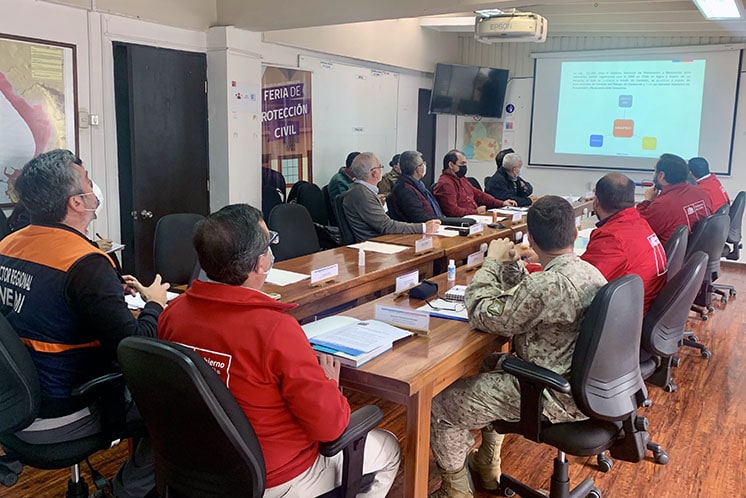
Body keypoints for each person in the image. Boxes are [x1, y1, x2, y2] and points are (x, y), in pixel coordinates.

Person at [157, 203, 400, 497]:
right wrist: (329, 384)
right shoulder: (275, 329)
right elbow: (331, 428)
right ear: (261, 264)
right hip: (276, 477)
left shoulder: (172, 313)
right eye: (270, 242)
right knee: (389, 449)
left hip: (197, 465)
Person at [0, 149, 169, 498]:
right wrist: (154, 303)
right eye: (89, 181)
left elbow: (43, 303)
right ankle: (122, 492)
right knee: (181, 412)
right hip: (61, 411)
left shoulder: (8, 245)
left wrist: (107, 292)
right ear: (77, 202)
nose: (94, 188)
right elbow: (135, 349)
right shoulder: (85, 263)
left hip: (12, 405)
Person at [428, 196, 607, 498]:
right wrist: (511, 265)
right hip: (584, 388)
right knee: (489, 364)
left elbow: (482, 313)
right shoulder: (587, 272)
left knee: (440, 406)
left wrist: (491, 263)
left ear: (531, 239)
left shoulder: (550, 284)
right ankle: (487, 465)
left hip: (552, 394)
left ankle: (455, 491)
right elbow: (529, 299)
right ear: (575, 232)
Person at [581, 173, 667, 314]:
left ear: (596, 202)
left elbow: (581, 283)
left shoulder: (612, 237)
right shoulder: (639, 222)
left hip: (624, 316)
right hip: (644, 307)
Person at [343, 152, 441, 242]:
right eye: (380, 167)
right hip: (375, 244)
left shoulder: (361, 191)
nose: (381, 170)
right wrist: (423, 227)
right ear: (374, 173)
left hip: (382, 240)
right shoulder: (362, 195)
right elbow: (386, 226)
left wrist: (379, 205)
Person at [637, 153, 713, 245]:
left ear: (661, 175)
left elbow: (637, 229)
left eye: (655, 171)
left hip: (663, 252)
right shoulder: (702, 194)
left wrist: (647, 201)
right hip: (692, 250)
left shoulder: (663, 205)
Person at [433, 149, 516, 217]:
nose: (464, 167)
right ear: (451, 165)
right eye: (462, 163)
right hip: (462, 221)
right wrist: (475, 211)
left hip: (475, 216)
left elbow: (478, 194)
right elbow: (452, 211)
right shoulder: (445, 184)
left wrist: (502, 203)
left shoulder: (461, 178)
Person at [386, 150, 443, 223]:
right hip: (425, 226)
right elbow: (420, 217)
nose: (424, 166)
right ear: (417, 169)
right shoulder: (405, 190)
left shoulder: (417, 185)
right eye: (422, 164)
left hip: (434, 222)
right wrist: (442, 221)